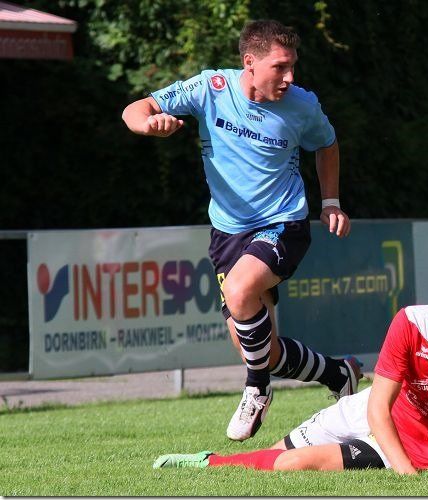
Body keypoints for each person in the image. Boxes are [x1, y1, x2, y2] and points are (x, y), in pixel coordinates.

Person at [122, 19, 361, 442]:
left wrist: (330, 202)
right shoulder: (210, 88)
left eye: (293, 66)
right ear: (249, 62)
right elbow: (135, 109)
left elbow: (326, 143)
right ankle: (338, 373)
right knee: (261, 350)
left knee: (239, 293)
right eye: (280, 67)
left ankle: (257, 391)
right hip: (228, 234)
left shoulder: (302, 105)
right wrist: (147, 125)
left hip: (283, 223)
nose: (290, 78)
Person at [153, 267, 428, 475]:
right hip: (372, 410)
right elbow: (378, 406)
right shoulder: (411, 323)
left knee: (291, 465)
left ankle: (209, 464)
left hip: (413, 449)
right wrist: (409, 478)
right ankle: (213, 463)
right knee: (277, 452)